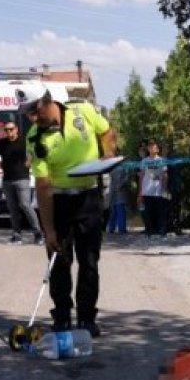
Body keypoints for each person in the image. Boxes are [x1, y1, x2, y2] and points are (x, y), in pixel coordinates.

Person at [28, 92, 116, 337]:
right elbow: (43, 185)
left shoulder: (83, 111)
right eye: (29, 116)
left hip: (89, 197)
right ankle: (63, 316)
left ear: (48, 102)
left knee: (89, 261)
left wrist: (108, 153)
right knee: (59, 261)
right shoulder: (35, 139)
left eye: (36, 113)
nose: (34, 120)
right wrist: (49, 230)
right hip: (59, 201)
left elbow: (107, 131)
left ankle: (87, 318)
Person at [0, 120, 42, 245]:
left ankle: (38, 234)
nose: (9, 132)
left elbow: (34, 150)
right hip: (7, 180)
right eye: (6, 130)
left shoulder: (24, 141)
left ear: (16, 129)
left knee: (25, 205)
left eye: (11, 129)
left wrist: (30, 161)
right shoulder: (2, 143)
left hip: (22, 178)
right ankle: (16, 236)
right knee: (13, 209)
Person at [138, 139, 171, 239]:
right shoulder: (144, 161)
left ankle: (162, 233)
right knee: (147, 213)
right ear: (148, 149)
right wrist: (140, 191)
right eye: (150, 146)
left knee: (160, 212)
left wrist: (165, 189)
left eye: (154, 146)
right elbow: (141, 176)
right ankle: (149, 233)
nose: (152, 148)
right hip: (147, 191)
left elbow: (165, 175)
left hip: (158, 191)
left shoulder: (161, 161)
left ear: (157, 149)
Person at [106, 166, 129, 234]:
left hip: (117, 192)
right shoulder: (111, 167)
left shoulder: (120, 168)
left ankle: (117, 228)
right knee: (115, 210)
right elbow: (126, 178)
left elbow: (125, 178)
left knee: (117, 210)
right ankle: (116, 228)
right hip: (113, 191)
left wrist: (120, 185)